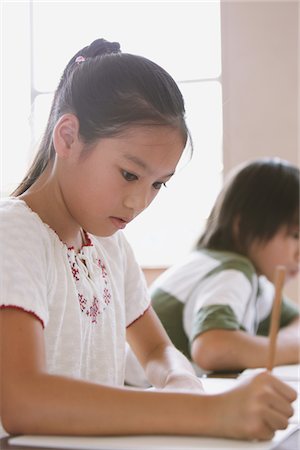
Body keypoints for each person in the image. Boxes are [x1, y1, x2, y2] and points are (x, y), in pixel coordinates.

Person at [0, 39, 296, 442]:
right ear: (68, 138)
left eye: (158, 183)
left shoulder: (109, 246)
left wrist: (180, 379)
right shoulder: (14, 232)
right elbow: (23, 401)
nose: (139, 202)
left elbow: (157, 350)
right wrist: (202, 411)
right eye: (128, 174)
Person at [148, 158, 299, 375]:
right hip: (139, 397)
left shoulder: (250, 279)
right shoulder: (232, 272)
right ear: (244, 226)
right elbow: (212, 349)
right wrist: (289, 349)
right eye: (295, 235)